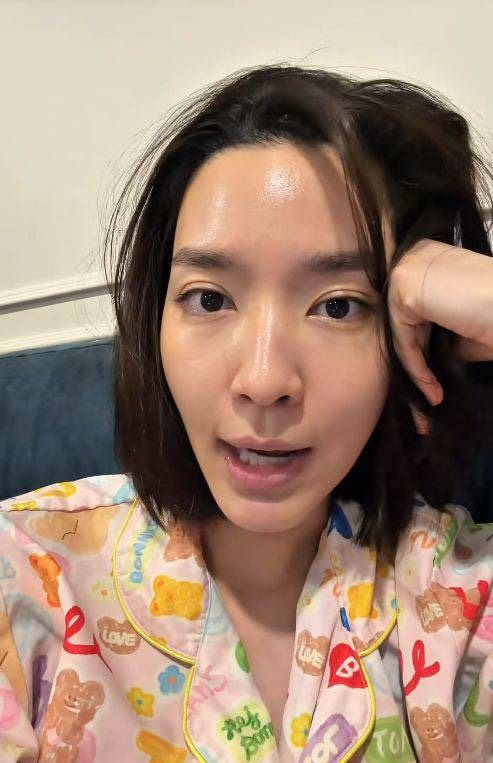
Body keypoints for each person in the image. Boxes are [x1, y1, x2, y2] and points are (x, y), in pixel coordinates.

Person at [1, 64, 493, 763]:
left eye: (338, 305)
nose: (264, 381)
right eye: (209, 298)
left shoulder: (460, 599)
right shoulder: (27, 574)